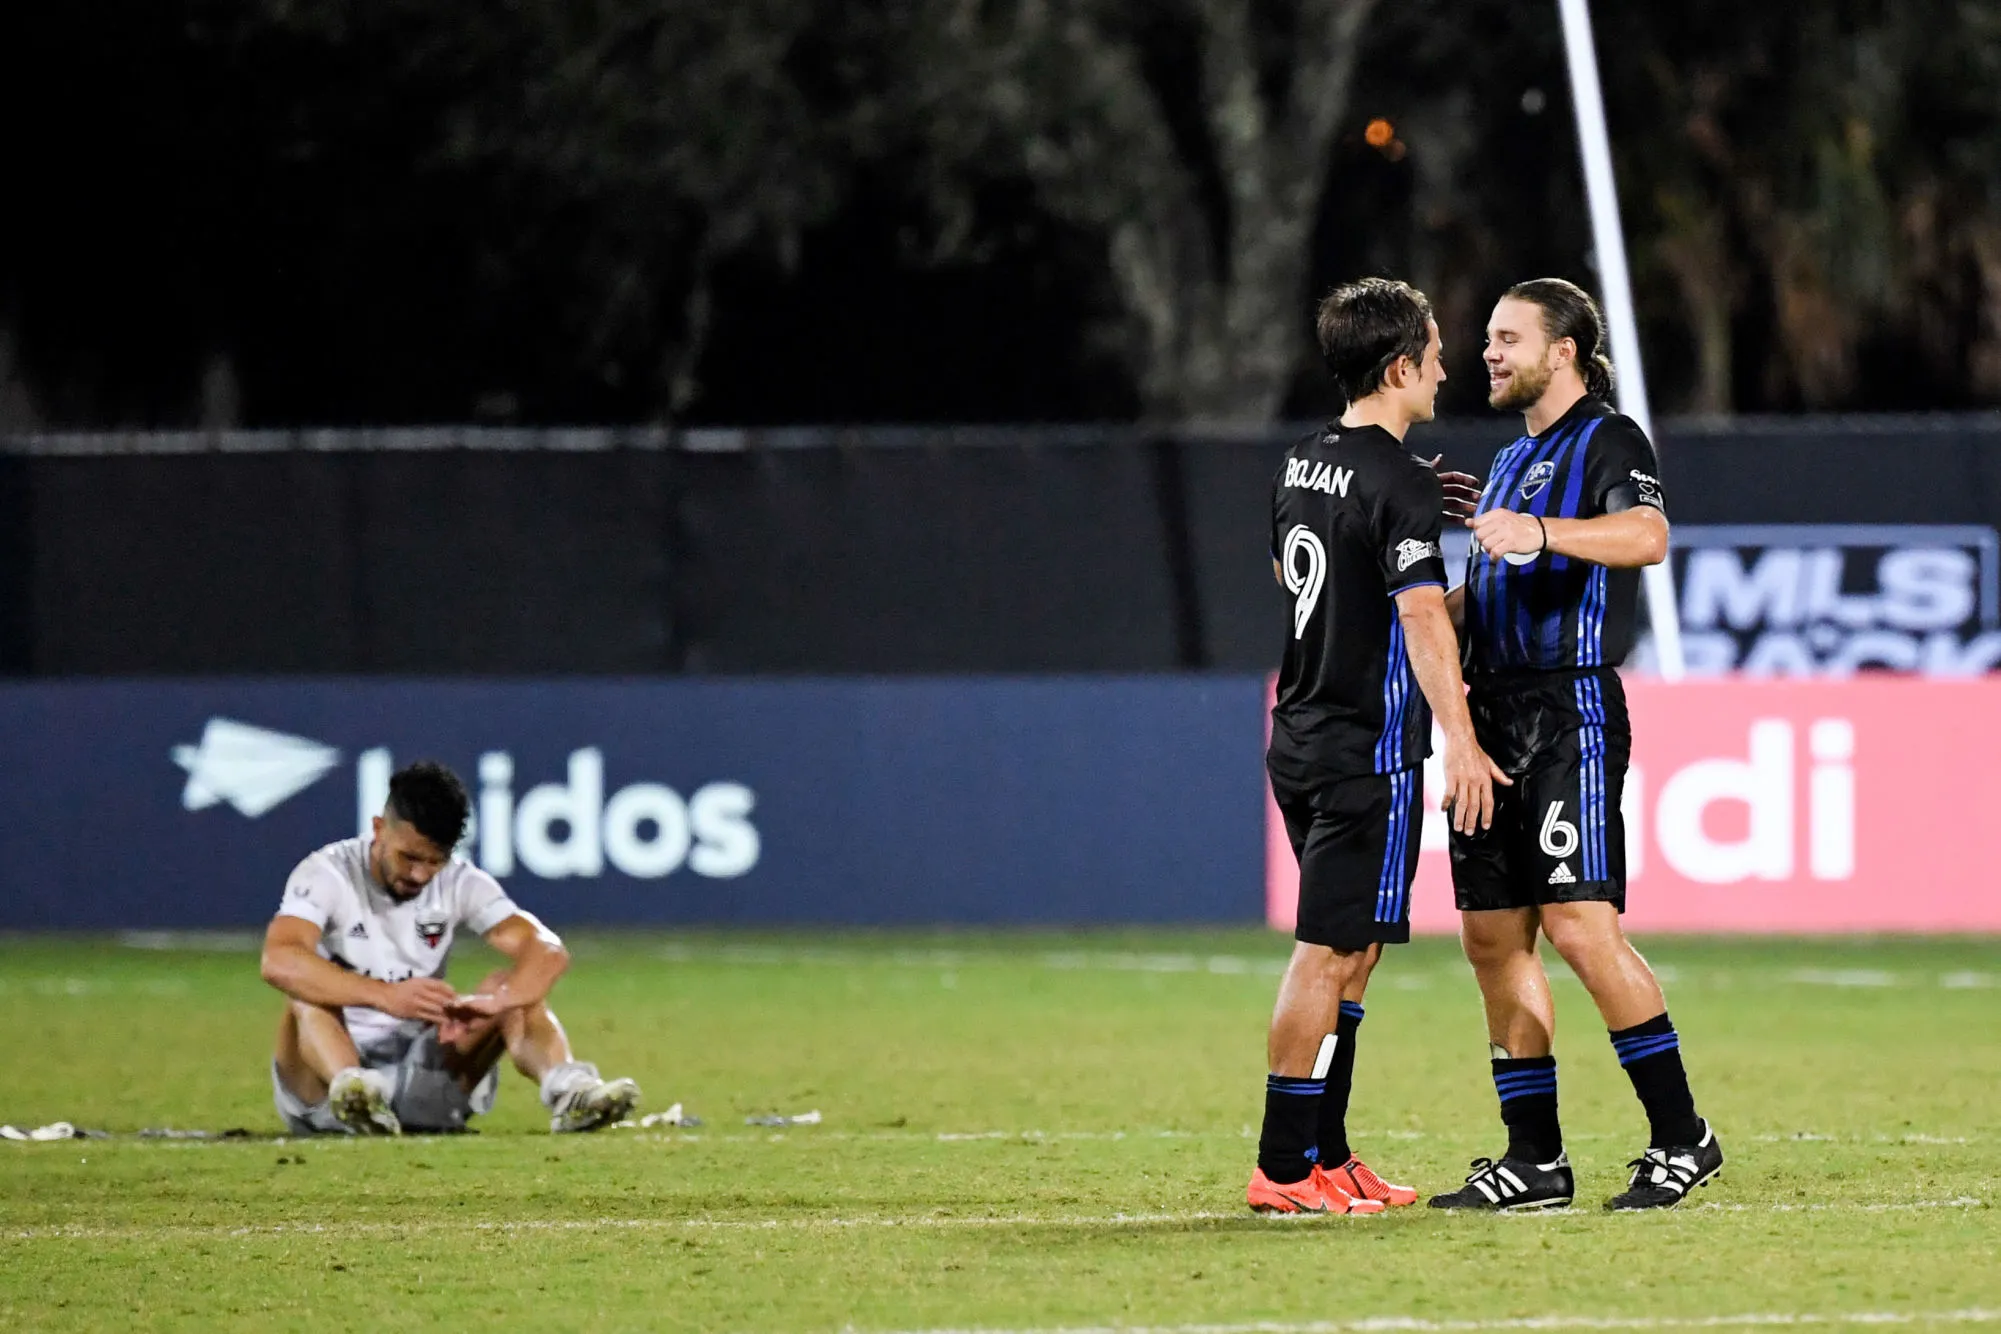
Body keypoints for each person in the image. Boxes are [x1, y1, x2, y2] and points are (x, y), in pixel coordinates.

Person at [1427, 278, 1722, 1212]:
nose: (1489, 352)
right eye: (1486, 338)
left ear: (1565, 350)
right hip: (1490, 715)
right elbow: (1495, 588)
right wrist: (1420, 612)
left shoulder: (1607, 438)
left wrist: (1541, 530)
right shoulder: (1509, 459)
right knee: (1490, 936)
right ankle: (1535, 1161)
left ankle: (1682, 1137)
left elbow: (1647, 535)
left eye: (1508, 337)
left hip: (1569, 712)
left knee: (1579, 926)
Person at [1249, 277, 1509, 1216]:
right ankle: (1282, 1169)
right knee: (1326, 955)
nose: (1445, 368)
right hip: (1363, 750)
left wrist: (1391, 516)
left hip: (1301, 736)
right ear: (1399, 365)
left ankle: (1327, 1153)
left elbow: (1289, 567)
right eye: (1435, 354)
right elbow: (1421, 623)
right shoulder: (1393, 480)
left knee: (1350, 955)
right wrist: (1462, 742)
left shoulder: (1301, 461)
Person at [260, 760, 641, 1136]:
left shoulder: (461, 882)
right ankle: (355, 1092)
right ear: (378, 829)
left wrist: (500, 1001)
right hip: (320, 1089)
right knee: (304, 993)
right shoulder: (327, 873)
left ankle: (571, 1093)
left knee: (512, 988)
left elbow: (546, 950)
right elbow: (278, 959)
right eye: (408, 857)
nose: (420, 875)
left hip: (421, 1077)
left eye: (435, 862)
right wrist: (385, 996)